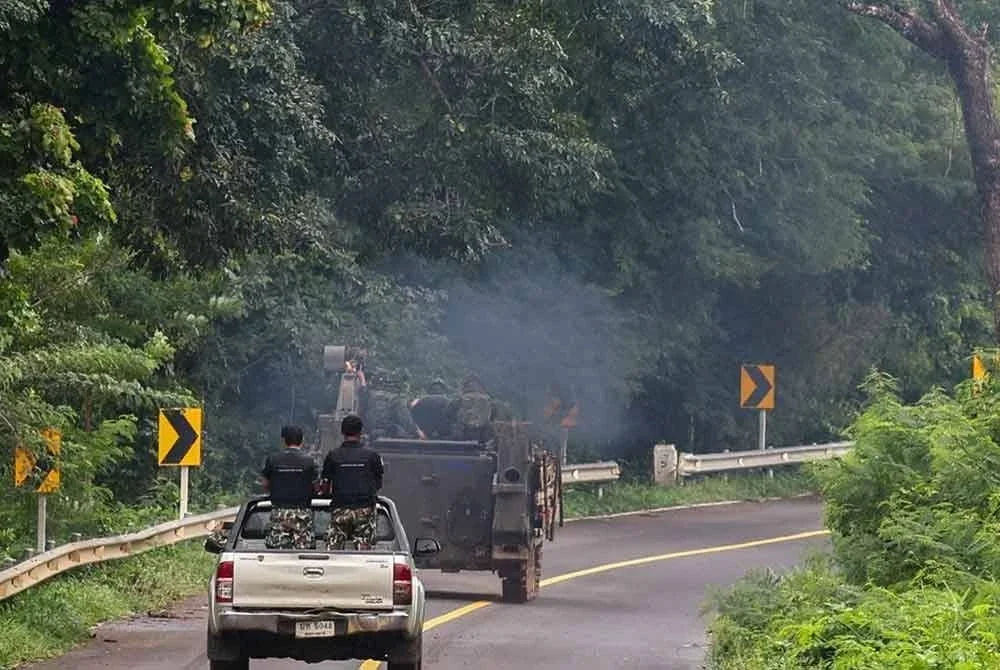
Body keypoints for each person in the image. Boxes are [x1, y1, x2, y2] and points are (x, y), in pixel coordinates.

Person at [321, 414, 384, 550]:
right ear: (361, 432)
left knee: (333, 551)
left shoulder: (333, 455)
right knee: (363, 552)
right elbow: (378, 482)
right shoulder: (372, 455)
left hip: (340, 508)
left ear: (342, 432)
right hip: (365, 509)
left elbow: (325, 484)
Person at [260, 425, 318, 550]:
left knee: (277, 553)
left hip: (279, 512)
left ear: (283, 440)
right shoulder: (310, 461)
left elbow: (264, 483)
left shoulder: (273, 459)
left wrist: (275, 490)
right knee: (304, 553)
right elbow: (316, 486)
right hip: (302, 513)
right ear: (302, 440)